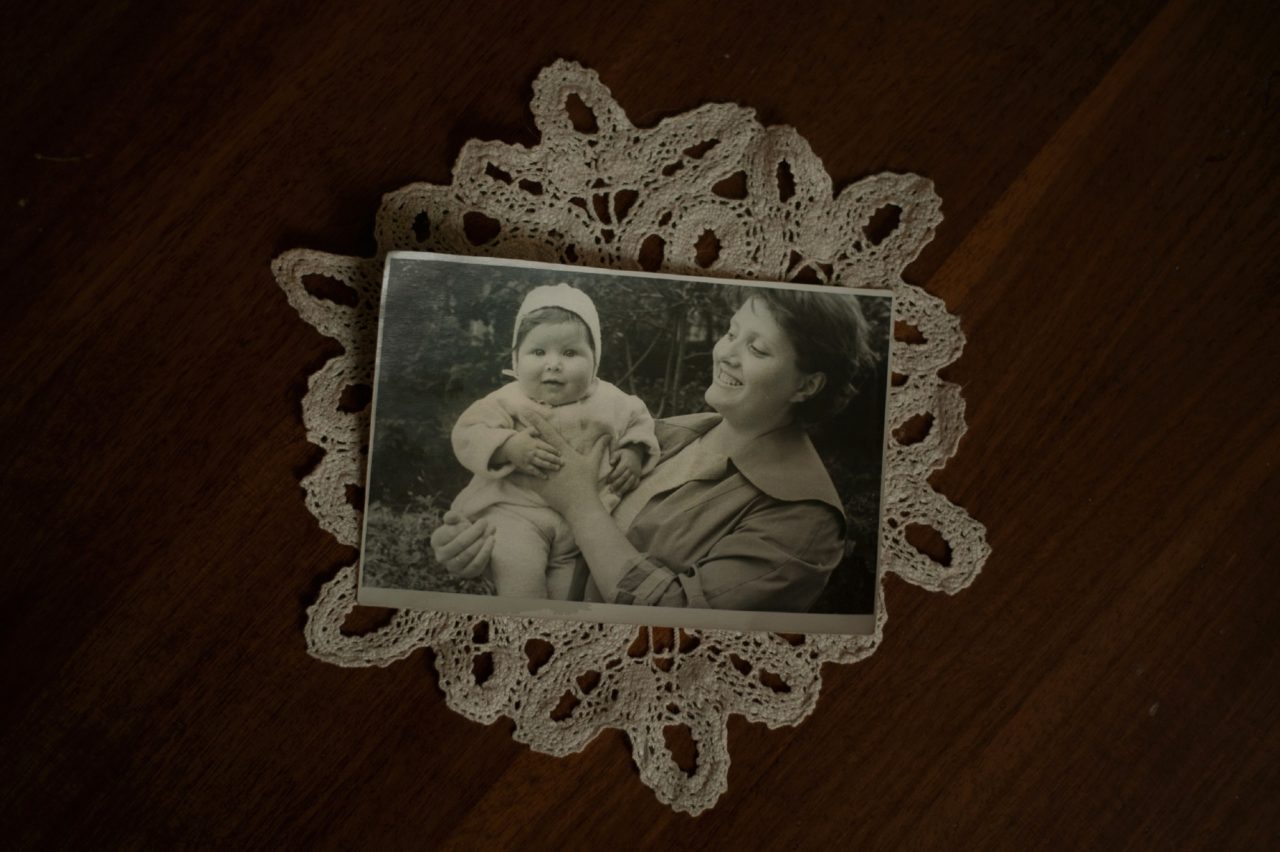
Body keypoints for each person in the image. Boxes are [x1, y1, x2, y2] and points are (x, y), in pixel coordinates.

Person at [434, 285, 874, 612]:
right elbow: (550, 534)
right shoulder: (668, 435)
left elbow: (679, 621)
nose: (726, 354)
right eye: (732, 333)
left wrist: (578, 503)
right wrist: (482, 548)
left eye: (757, 349)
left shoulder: (802, 520)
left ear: (807, 385)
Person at [446, 283, 660, 599]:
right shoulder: (506, 400)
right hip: (517, 514)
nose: (553, 363)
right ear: (516, 360)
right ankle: (522, 618)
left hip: (581, 526)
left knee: (569, 597)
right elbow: (468, 432)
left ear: (594, 361)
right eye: (538, 352)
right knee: (521, 581)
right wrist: (507, 446)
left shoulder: (612, 400)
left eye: (570, 353)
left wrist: (633, 451)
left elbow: (639, 422)